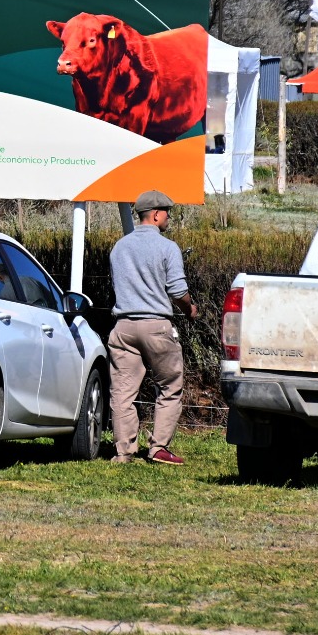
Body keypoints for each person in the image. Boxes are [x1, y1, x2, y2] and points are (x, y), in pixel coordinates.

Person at [107, 189, 197, 465]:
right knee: (170, 386)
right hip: (156, 326)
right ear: (156, 215)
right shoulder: (167, 247)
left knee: (122, 393)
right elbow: (177, 290)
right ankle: (158, 448)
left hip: (123, 328)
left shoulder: (119, 247)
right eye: (167, 213)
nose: (168, 217)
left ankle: (124, 451)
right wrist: (190, 308)